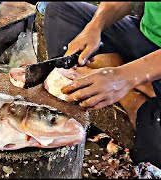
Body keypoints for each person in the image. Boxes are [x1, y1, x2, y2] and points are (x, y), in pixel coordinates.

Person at [43, 2, 160, 168]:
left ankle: (135, 99)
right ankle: (136, 86)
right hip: (145, 39)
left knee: (154, 150)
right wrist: (95, 26)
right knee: (61, 10)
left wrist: (124, 76)